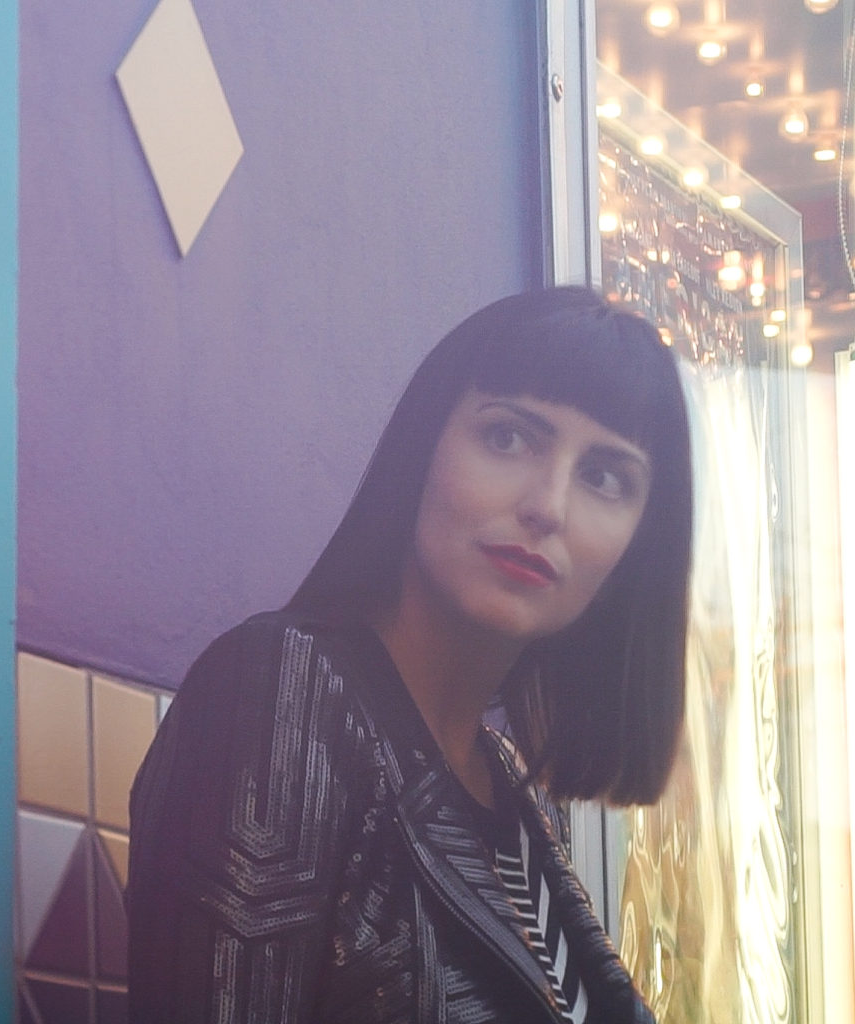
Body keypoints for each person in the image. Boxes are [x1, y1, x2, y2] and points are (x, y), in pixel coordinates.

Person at [127, 286, 693, 1023]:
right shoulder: (280, 691)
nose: (548, 506)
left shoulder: (520, 797)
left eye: (605, 477)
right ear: (422, 449)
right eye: (508, 437)